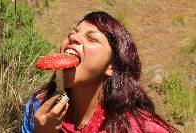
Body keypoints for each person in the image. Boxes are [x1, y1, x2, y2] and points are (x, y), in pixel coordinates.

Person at [22, 11, 179, 133]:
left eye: (92, 39)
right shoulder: (38, 107)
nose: (73, 37)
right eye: (72, 33)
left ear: (111, 66)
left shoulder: (139, 128)